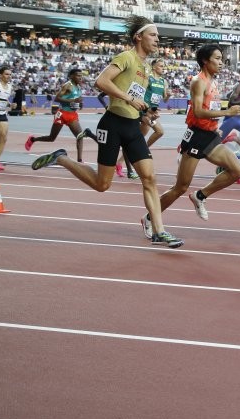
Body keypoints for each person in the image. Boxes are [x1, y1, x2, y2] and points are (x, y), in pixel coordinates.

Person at [30, 16, 183, 248]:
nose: (157, 40)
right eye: (153, 35)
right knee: (103, 184)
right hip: (112, 125)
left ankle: (159, 231)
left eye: (158, 36)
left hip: (132, 127)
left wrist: (145, 114)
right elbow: (101, 82)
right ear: (138, 37)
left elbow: (133, 98)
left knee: (150, 178)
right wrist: (129, 98)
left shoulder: (144, 68)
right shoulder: (126, 57)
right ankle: (61, 158)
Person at [145, 43, 240, 229]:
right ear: (205, 61)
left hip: (210, 136)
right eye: (217, 58)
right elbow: (198, 112)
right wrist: (227, 113)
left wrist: (215, 126)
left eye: (221, 59)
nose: (221, 63)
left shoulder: (213, 82)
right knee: (180, 187)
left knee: (237, 171)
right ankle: (150, 219)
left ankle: (200, 196)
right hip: (196, 137)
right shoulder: (199, 81)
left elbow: (209, 109)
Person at [25, 67, 88, 162]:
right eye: (78, 76)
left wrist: (80, 103)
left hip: (72, 114)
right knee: (51, 138)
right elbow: (57, 99)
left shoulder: (78, 87)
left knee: (80, 136)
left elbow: (77, 99)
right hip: (62, 114)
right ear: (71, 76)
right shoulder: (67, 85)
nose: (80, 78)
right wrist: (72, 101)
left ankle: (80, 160)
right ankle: (33, 139)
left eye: (81, 76)